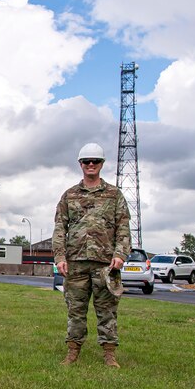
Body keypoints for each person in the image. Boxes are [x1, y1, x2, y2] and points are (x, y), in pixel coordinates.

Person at [52, 143, 131, 367]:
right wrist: (60, 257)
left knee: (107, 310)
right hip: (75, 263)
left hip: (105, 264)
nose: (90, 165)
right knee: (75, 309)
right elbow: (60, 228)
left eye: (95, 161)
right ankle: (72, 351)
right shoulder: (69, 195)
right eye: (86, 161)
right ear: (80, 164)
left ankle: (109, 354)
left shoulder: (114, 195)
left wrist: (120, 255)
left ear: (102, 164)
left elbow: (123, 227)